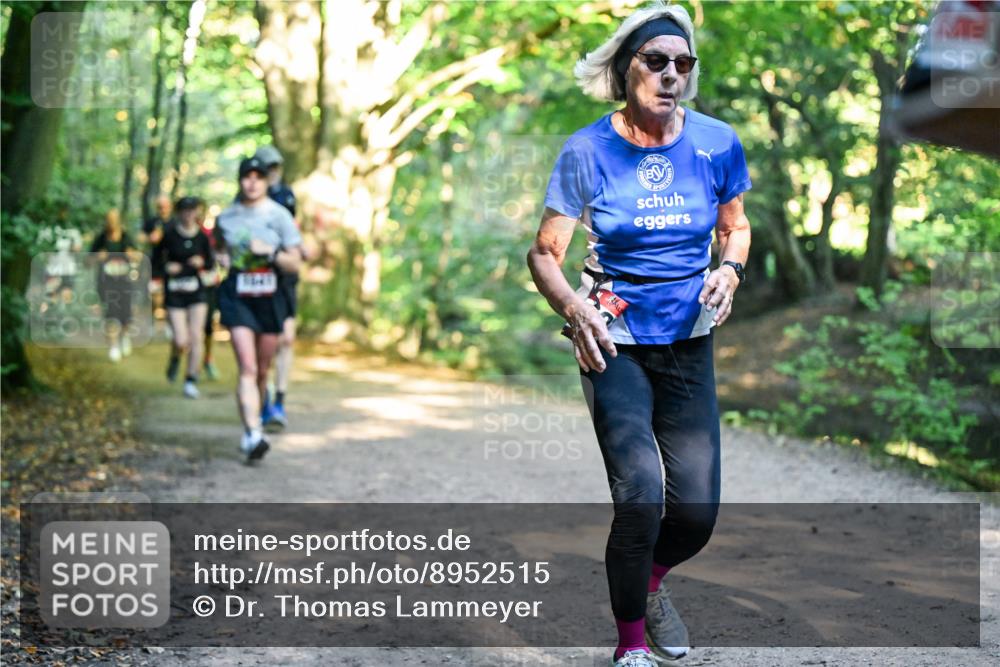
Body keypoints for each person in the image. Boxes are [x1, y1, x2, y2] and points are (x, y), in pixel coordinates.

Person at [526, 5, 751, 666]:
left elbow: (734, 227)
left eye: (683, 64)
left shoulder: (716, 143)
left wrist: (731, 271)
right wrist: (575, 309)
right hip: (612, 335)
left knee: (697, 511)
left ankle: (650, 580)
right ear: (626, 68)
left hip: (687, 335)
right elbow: (544, 254)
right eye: (656, 61)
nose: (671, 74)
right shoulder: (588, 150)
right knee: (641, 495)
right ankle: (629, 647)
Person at [214, 156, 303, 462]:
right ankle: (253, 433)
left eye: (258, 177)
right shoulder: (226, 217)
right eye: (247, 177)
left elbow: (295, 262)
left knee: (263, 369)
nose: (252, 182)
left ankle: (256, 421)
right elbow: (220, 250)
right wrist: (223, 260)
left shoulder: (279, 216)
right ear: (240, 180)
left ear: (266, 181)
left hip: (270, 297)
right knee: (248, 367)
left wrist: (271, 252)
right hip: (238, 296)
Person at [252, 144, 302, 430]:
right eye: (266, 167)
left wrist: (299, 250)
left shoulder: (287, 194)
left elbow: (293, 229)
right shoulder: (248, 195)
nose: (271, 172)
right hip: (258, 276)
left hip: (285, 274)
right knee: (264, 345)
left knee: (286, 339)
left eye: (275, 167)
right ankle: (264, 399)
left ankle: (279, 400)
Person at [152, 196, 215, 398]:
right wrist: (166, 268)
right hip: (175, 293)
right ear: (179, 212)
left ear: (197, 212)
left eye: (192, 210)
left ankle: (190, 379)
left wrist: (202, 263)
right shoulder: (169, 235)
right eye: (185, 210)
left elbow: (212, 265)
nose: (189, 214)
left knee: (196, 336)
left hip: (196, 292)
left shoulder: (202, 238)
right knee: (181, 339)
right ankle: (175, 356)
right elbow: (155, 262)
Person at [90, 208, 142, 362]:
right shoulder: (100, 239)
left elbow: (138, 257)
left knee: (126, 314)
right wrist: (97, 257)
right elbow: (87, 261)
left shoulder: (126, 237)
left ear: (119, 220)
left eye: (114, 219)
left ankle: (124, 337)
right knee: (111, 313)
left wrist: (132, 255)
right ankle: (113, 346)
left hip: (125, 282)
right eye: (108, 219)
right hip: (106, 283)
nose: (111, 223)